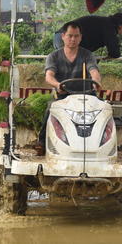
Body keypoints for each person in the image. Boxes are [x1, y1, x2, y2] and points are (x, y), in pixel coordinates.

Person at [36, 21, 102, 155]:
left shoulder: (88, 55)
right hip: (63, 95)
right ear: (63, 36)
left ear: (81, 37)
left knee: (102, 110)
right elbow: (49, 76)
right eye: (70, 36)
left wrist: (96, 82)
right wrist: (57, 85)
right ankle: (42, 142)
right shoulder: (53, 56)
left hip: (87, 95)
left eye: (76, 36)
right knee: (50, 109)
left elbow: (94, 71)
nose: (73, 39)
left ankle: (101, 144)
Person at [53, 12, 122, 59]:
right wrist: (113, 54)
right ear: (117, 24)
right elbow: (114, 48)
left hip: (60, 37)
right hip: (65, 38)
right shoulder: (109, 26)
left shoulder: (104, 23)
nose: (120, 33)